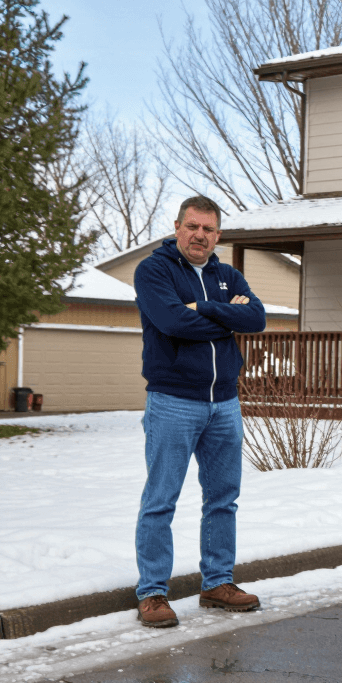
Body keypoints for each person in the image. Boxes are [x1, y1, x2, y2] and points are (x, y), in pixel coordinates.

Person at [132, 195, 267, 628]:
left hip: (225, 402)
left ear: (218, 235)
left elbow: (258, 318)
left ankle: (217, 582)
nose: (200, 235)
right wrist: (230, 317)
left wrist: (206, 309)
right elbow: (172, 322)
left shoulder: (227, 274)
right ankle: (152, 593)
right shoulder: (154, 271)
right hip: (173, 401)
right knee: (161, 500)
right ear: (177, 228)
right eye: (192, 226)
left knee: (223, 499)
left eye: (208, 229)